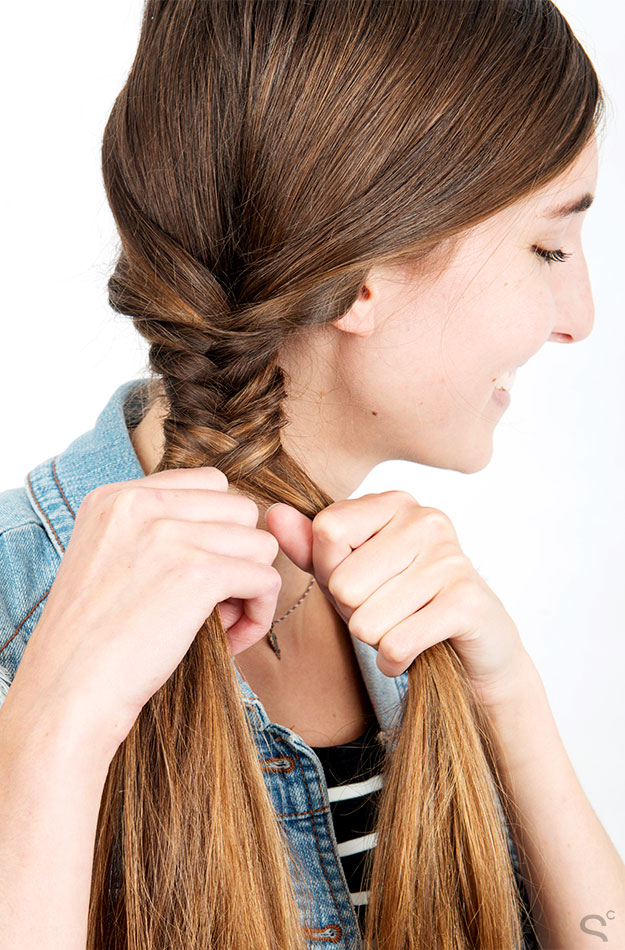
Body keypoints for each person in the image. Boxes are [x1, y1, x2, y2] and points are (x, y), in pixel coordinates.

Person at [0, 1, 622, 948]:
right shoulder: (20, 619)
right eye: (547, 247)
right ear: (363, 274)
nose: (577, 316)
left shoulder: (425, 614)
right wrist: (57, 728)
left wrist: (514, 702)